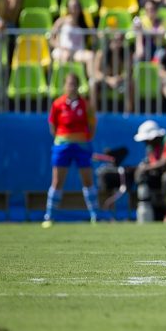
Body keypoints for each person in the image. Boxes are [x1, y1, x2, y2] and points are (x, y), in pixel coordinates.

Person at [44, 73, 99, 227]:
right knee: (57, 181)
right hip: (62, 146)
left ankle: (95, 216)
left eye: (74, 84)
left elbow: (93, 124)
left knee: (88, 180)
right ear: (64, 86)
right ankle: (49, 216)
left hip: (82, 146)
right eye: (69, 84)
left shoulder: (85, 104)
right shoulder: (57, 104)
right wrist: (63, 139)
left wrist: (85, 139)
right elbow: (52, 126)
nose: (72, 87)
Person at [133, 120, 166, 223]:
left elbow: (165, 163)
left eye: (147, 140)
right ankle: (152, 213)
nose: (145, 143)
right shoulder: (150, 147)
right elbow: (153, 163)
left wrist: (145, 168)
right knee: (144, 178)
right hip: (160, 174)